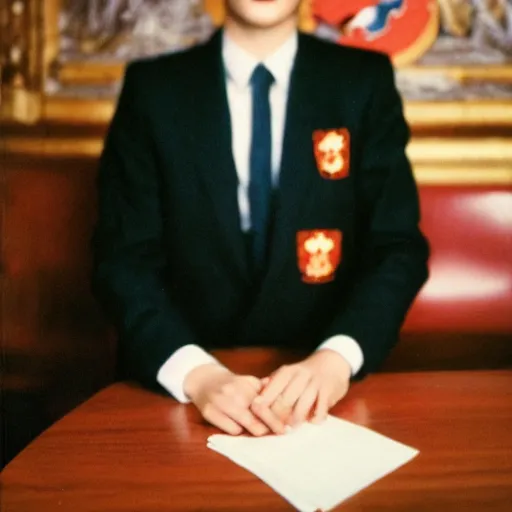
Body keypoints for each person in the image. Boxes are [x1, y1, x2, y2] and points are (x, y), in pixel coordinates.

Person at [92, 0, 429, 439]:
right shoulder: (154, 88)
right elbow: (123, 259)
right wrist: (197, 374)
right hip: (183, 391)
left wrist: (338, 357)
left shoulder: (362, 81)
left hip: (323, 395)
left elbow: (397, 247)